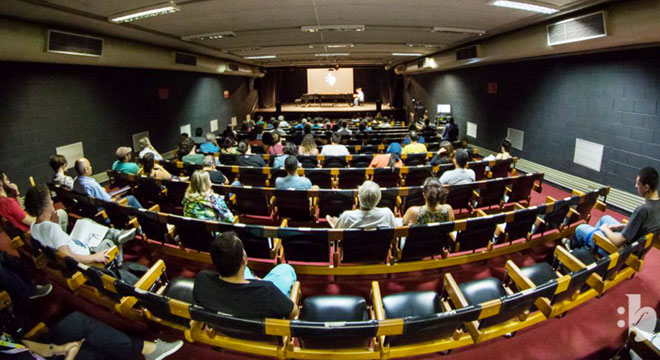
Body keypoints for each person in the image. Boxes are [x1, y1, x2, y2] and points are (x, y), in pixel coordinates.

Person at [193, 231, 298, 319]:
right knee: (285, 268)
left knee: (246, 271)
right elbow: (293, 312)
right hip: (259, 336)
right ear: (244, 259)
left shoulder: (202, 280)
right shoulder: (267, 290)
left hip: (226, 327)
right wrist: (260, 284)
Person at [25, 184, 136, 266]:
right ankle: (118, 261)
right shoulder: (52, 228)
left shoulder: (33, 226)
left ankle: (116, 234)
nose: (52, 202)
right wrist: (95, 257)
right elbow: (68, 257)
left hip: (75, 244)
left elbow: (54, 240)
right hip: (85, 254)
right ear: (45, 206)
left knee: (85, 222)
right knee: (111, 241)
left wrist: (55, 225)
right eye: (50, 200)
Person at [1, 311, 183, 360]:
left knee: (76, 321)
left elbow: (22, 345)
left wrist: (57, 349)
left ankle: (146, 349)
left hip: (41, 354)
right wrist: (69, 356)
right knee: (88, 352)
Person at [568, 167, 660, 251]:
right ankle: (591, 246)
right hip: (636, 244)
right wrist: (620, 227)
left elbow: (618, 241)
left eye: (638, 183)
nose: (636, 186)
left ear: (646, 187)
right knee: (605, 218)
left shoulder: (642, 210)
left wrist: (605, 229)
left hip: (623, 251)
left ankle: (572, 248)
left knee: (580, 229)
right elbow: (641, 227)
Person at [0, 170, 68, 233]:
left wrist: (16, 193)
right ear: (0, 182)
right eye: (6, 179)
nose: (9, 182)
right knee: (61, 214)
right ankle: (63, 240)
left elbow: (20, 212)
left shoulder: (3, 201)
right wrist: (48, 217)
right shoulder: (8, 202)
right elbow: (30, 221)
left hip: (27, 231)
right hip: (33, 231)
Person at [73, 158, 143, 209]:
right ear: (86, 170)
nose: (91, 167)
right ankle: (147, 216)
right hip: (106, 210)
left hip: (90, 210)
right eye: (90, 166)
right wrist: (116, 197)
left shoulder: (76, 181)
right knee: (131, 198)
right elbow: (109, 202)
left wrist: (101, 190)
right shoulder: (92, 184)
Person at [326, 181, 397, 229]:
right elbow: (394, 232)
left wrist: (334, 223)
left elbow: (336, 233)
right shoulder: (387, 214)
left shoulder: (347, 216)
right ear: (378, 199)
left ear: (359, 198)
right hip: (380, 251)